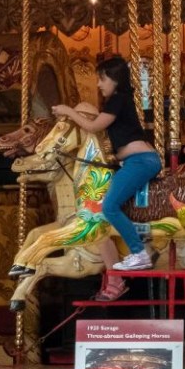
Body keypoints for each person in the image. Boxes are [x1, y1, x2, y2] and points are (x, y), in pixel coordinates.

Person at [52, 56, 161, 301]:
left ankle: (139, 252)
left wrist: (68, 111)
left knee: (109, 206)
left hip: (141, 161)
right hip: (132, 161)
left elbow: (94, 127)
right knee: (104, 209)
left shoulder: (118, 100)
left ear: (115, 79)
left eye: (102, 79)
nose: (99, 84)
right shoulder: (117, 102)